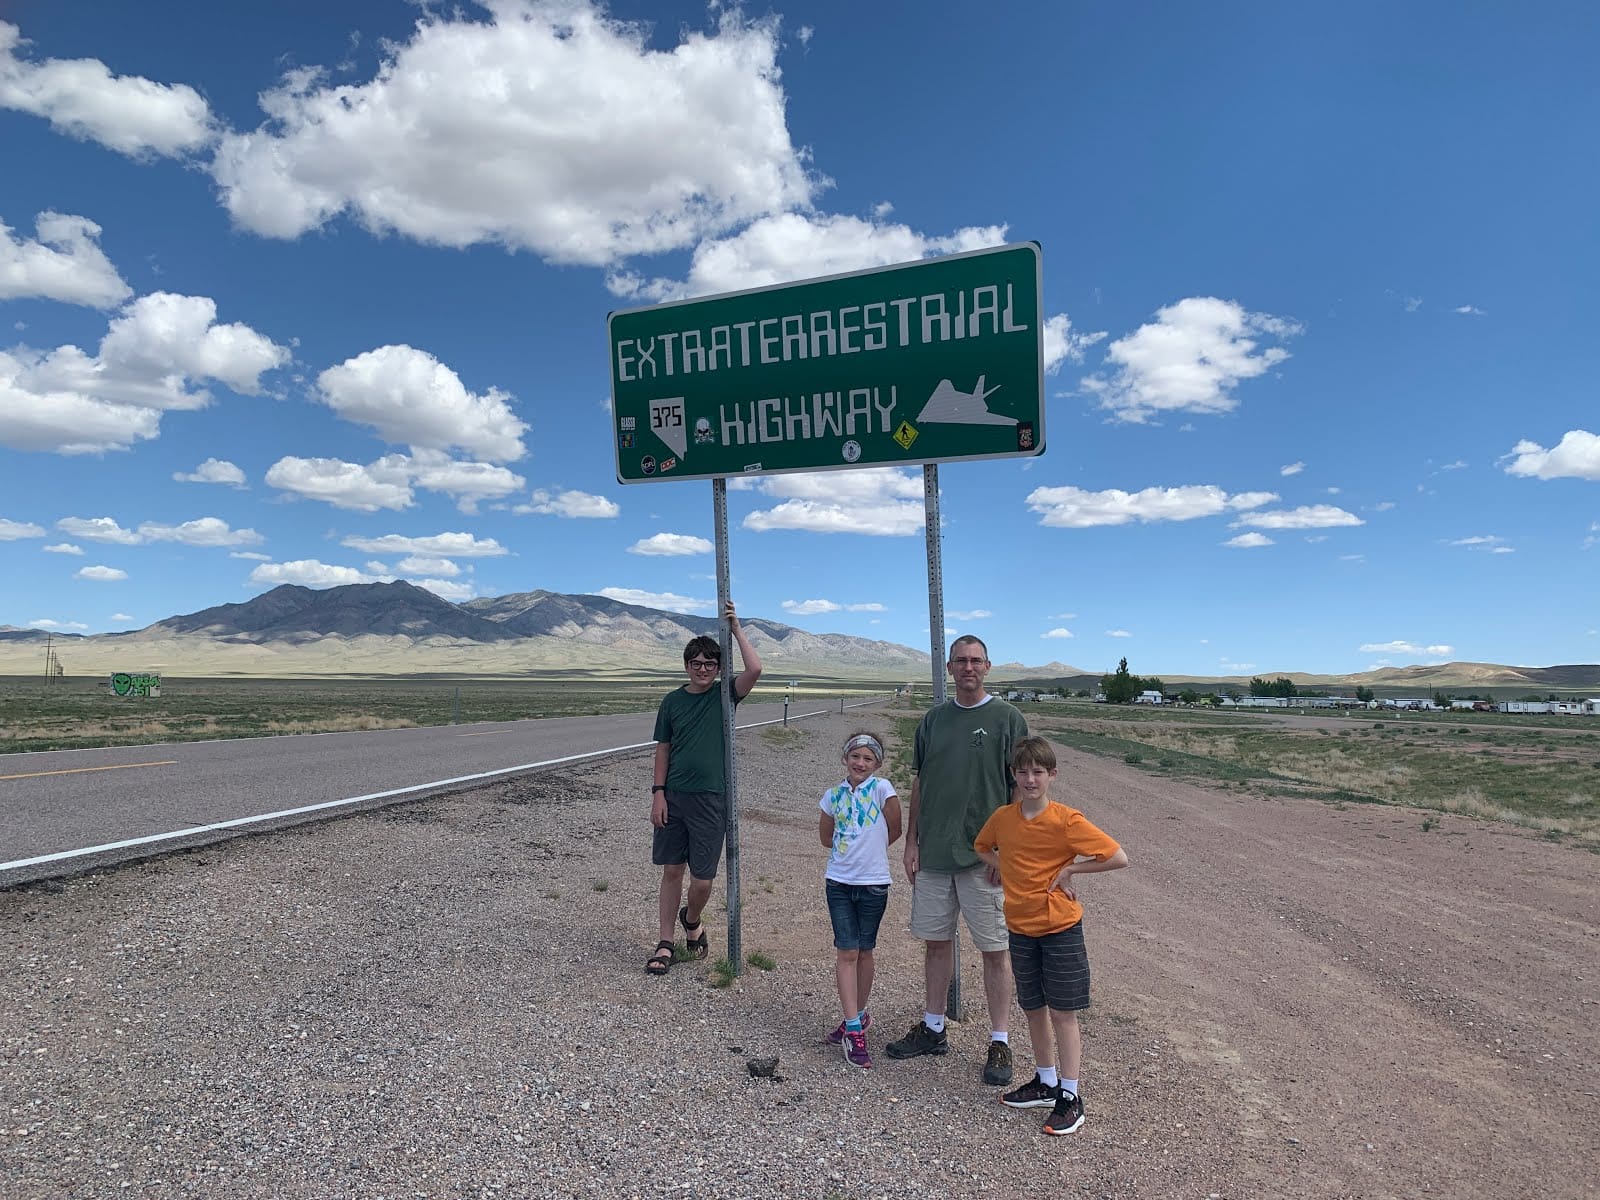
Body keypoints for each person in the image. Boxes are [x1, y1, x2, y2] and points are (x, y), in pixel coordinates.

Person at [885, 635, 1029, 1085]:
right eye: (960, 661)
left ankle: (1000, 1041)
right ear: (949, 668)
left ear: (988, 666)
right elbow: (921, 783)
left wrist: (1007, 849)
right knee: (936, 942)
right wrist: (912, 842)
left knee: (994, 950)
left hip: (984, 857)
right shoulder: (932, 721)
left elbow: (1022, 788)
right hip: (935, 854)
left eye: (975, 661)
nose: (968, 668)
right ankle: (933, 1028)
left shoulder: (1008, 719)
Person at [974, 736, 1129, 1136]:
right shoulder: (1003, 818)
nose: (1030, 779)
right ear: (1014, 775)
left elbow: (1116, 856)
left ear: (1052, 775)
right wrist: (1005, 866)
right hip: (1020, 927)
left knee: (1063, 1011)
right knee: (1033, 1007)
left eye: (1038, 772)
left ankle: (1070, 1096)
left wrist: (1071, 870)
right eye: (1022, 772)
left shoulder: (1066, 820)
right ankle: (1046, 1081)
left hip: (1059, 928)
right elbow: (981, 846)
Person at [645, 600, 762, 976]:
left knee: (703, 879)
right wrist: (658, 793)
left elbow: (756, 668)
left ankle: (691, 918)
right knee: (672, 871)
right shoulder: (672, 702)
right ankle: (665, 943)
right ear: (686, 665)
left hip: (712, 799)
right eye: (696, 663)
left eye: (710, 664)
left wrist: (737, 630)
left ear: (718, 668)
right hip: (674, 797)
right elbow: (663, 749)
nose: (702, 669)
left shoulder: (725, 695)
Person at [818, 731, 902, 1069]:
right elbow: (826, 837)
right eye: (855, 756)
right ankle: (853, 1029)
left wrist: (870, 855)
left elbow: (895, 829)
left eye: (868, 759)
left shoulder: (883, 790)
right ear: (845, 758)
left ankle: (858, 1014)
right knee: (846, 950)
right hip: (839, 881)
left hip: (874, 883)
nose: (860, 763)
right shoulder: (832, 796)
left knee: (865, 950)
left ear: (877, 763)